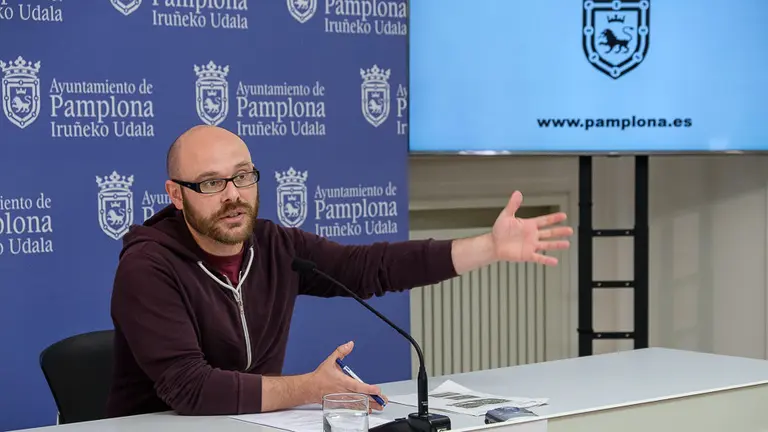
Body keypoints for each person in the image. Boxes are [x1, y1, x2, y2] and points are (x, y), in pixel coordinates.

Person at [105, 125, 573, 418]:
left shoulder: (274, 245)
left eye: (243, 176)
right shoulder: (148, 266)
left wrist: (488, 246)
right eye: (211, 183)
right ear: (175, 193)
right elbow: (191, 389)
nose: (233, 194)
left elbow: (370, 268)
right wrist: (311, 389)